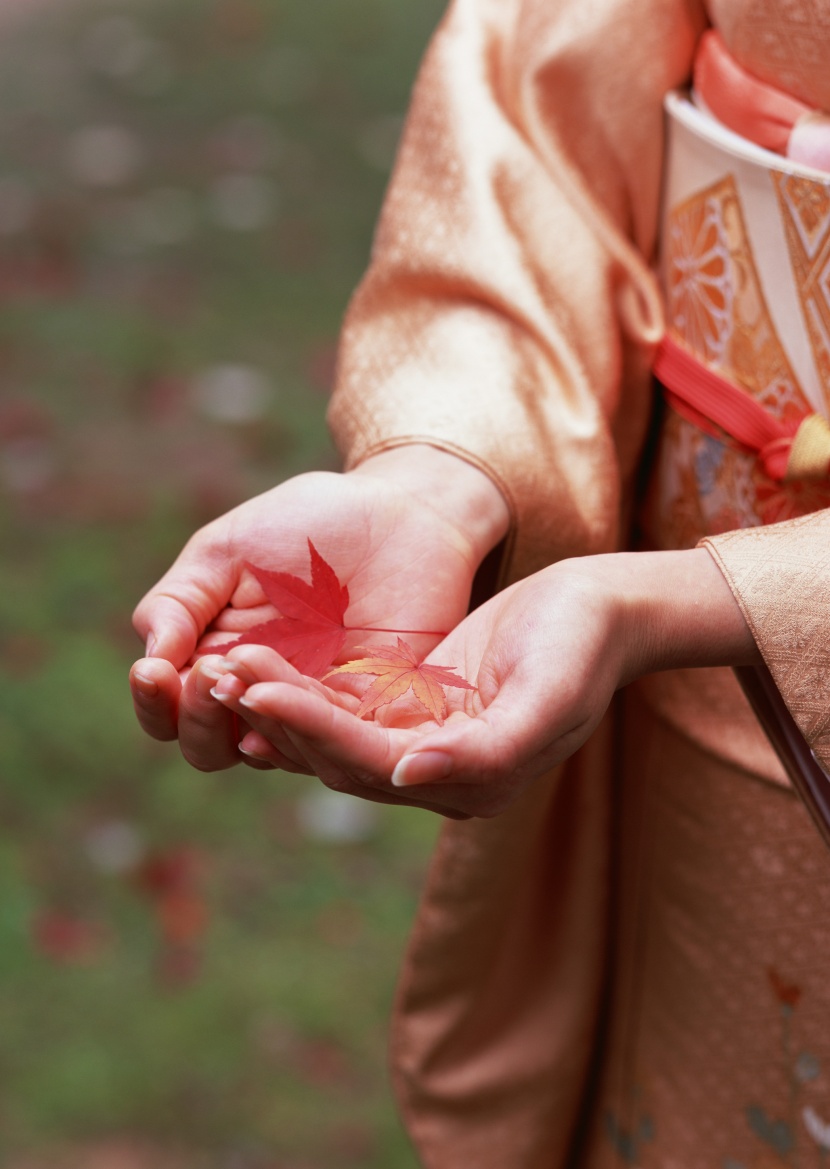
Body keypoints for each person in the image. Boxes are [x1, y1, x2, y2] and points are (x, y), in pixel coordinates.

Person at [130, 0, 830, 1163]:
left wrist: (667, 602)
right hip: (696, 722)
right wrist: (445, 469)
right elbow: (538, 110)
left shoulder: (642, 610)